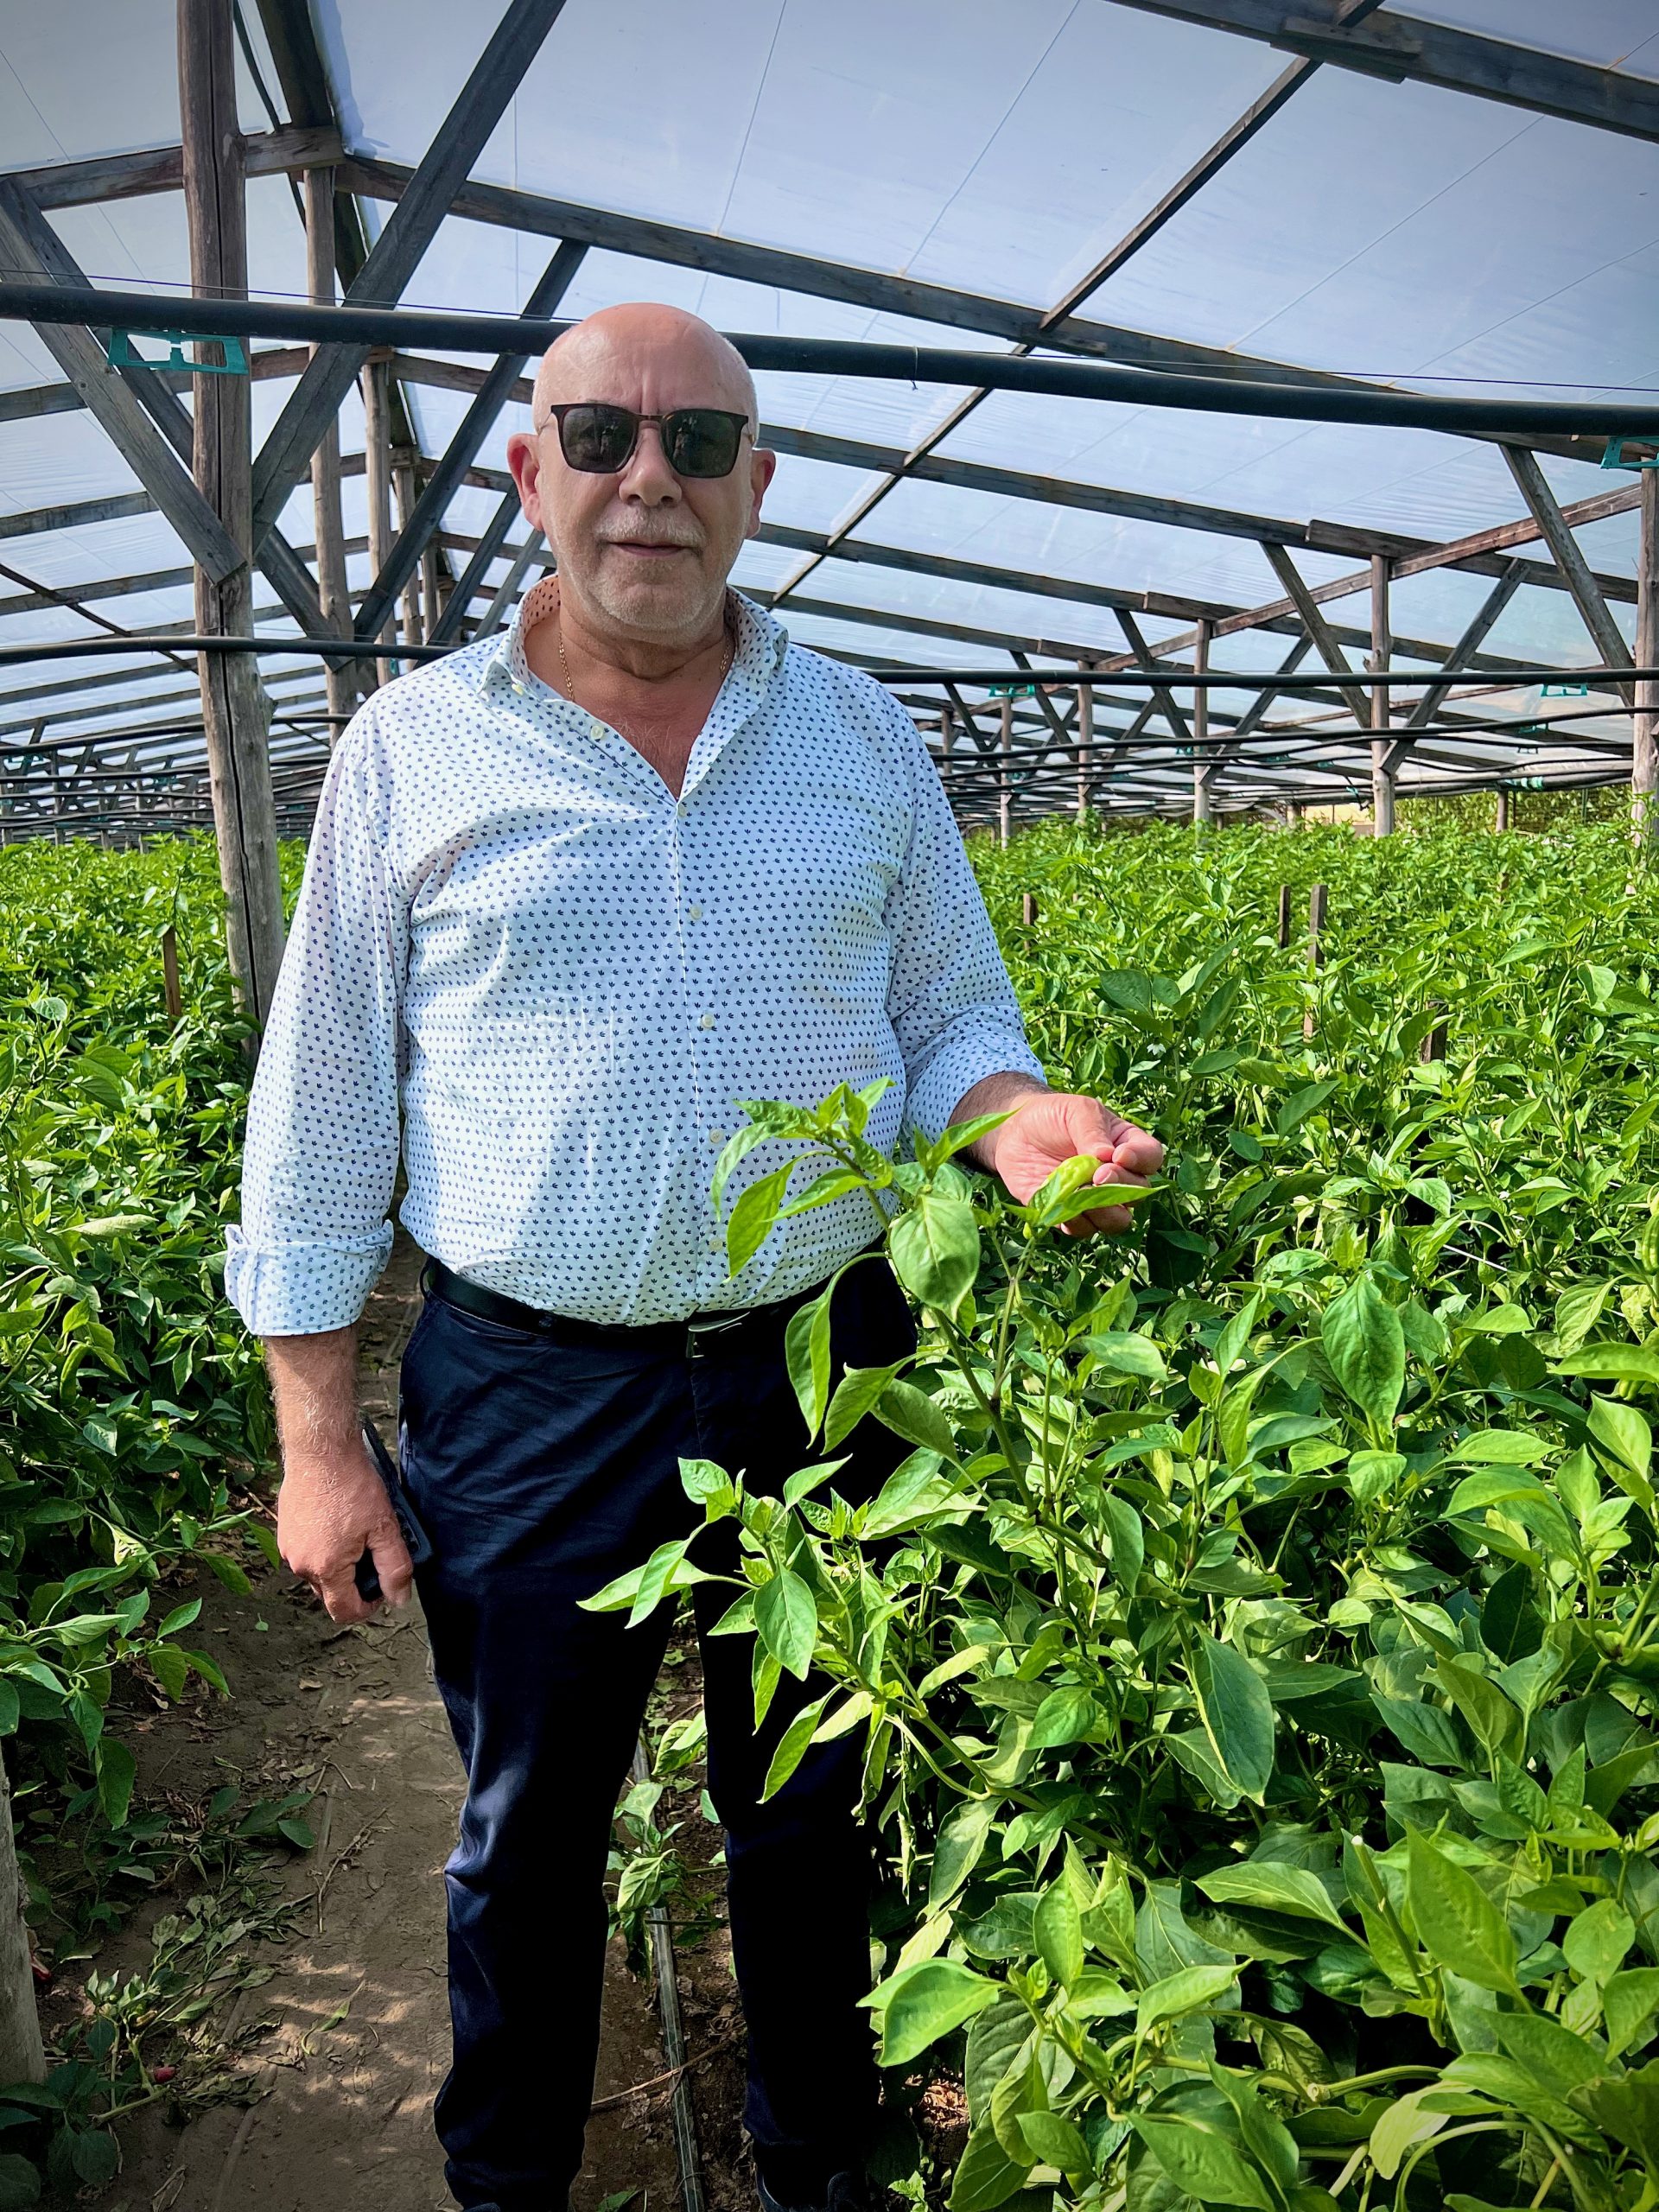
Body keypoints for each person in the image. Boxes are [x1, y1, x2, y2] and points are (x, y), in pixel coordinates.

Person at [226, 302, 1163, 2212]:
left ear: (757, 484)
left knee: (815, 1810)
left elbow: (950, 1017)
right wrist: (318, 1436)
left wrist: (1016, 1119)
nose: (648, 478)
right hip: (529, 1384)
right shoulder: (414, 749)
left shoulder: (860, 733)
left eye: (698, 444)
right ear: (530, 473)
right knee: (526, 1834)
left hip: (825, 1357)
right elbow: (318, 1107)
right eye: (600, 436)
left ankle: (818, 2162)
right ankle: (510, 2182)